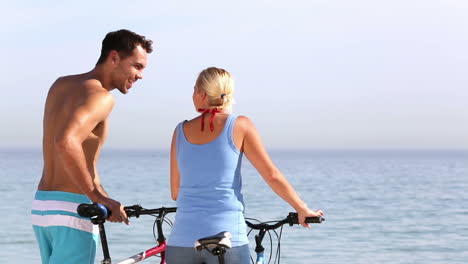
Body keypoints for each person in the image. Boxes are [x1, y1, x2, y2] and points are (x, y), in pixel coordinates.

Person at [166, 67, 324, 263]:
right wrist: (302, 208)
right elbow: (272, 175)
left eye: (194, 89)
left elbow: (175, 192)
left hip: (182, 241)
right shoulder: (240, 125)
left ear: (202, 94)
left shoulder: (180, 131)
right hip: (227, 237)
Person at [31, 29, 153, 264]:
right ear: (114, 57)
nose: (140, 76)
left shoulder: (60, 85)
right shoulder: (102, 97)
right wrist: (95, 195)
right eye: (137, 66)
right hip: (72, 210)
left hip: (42, 207)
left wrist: (106, 200)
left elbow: (76, 156)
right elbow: (66, 142)